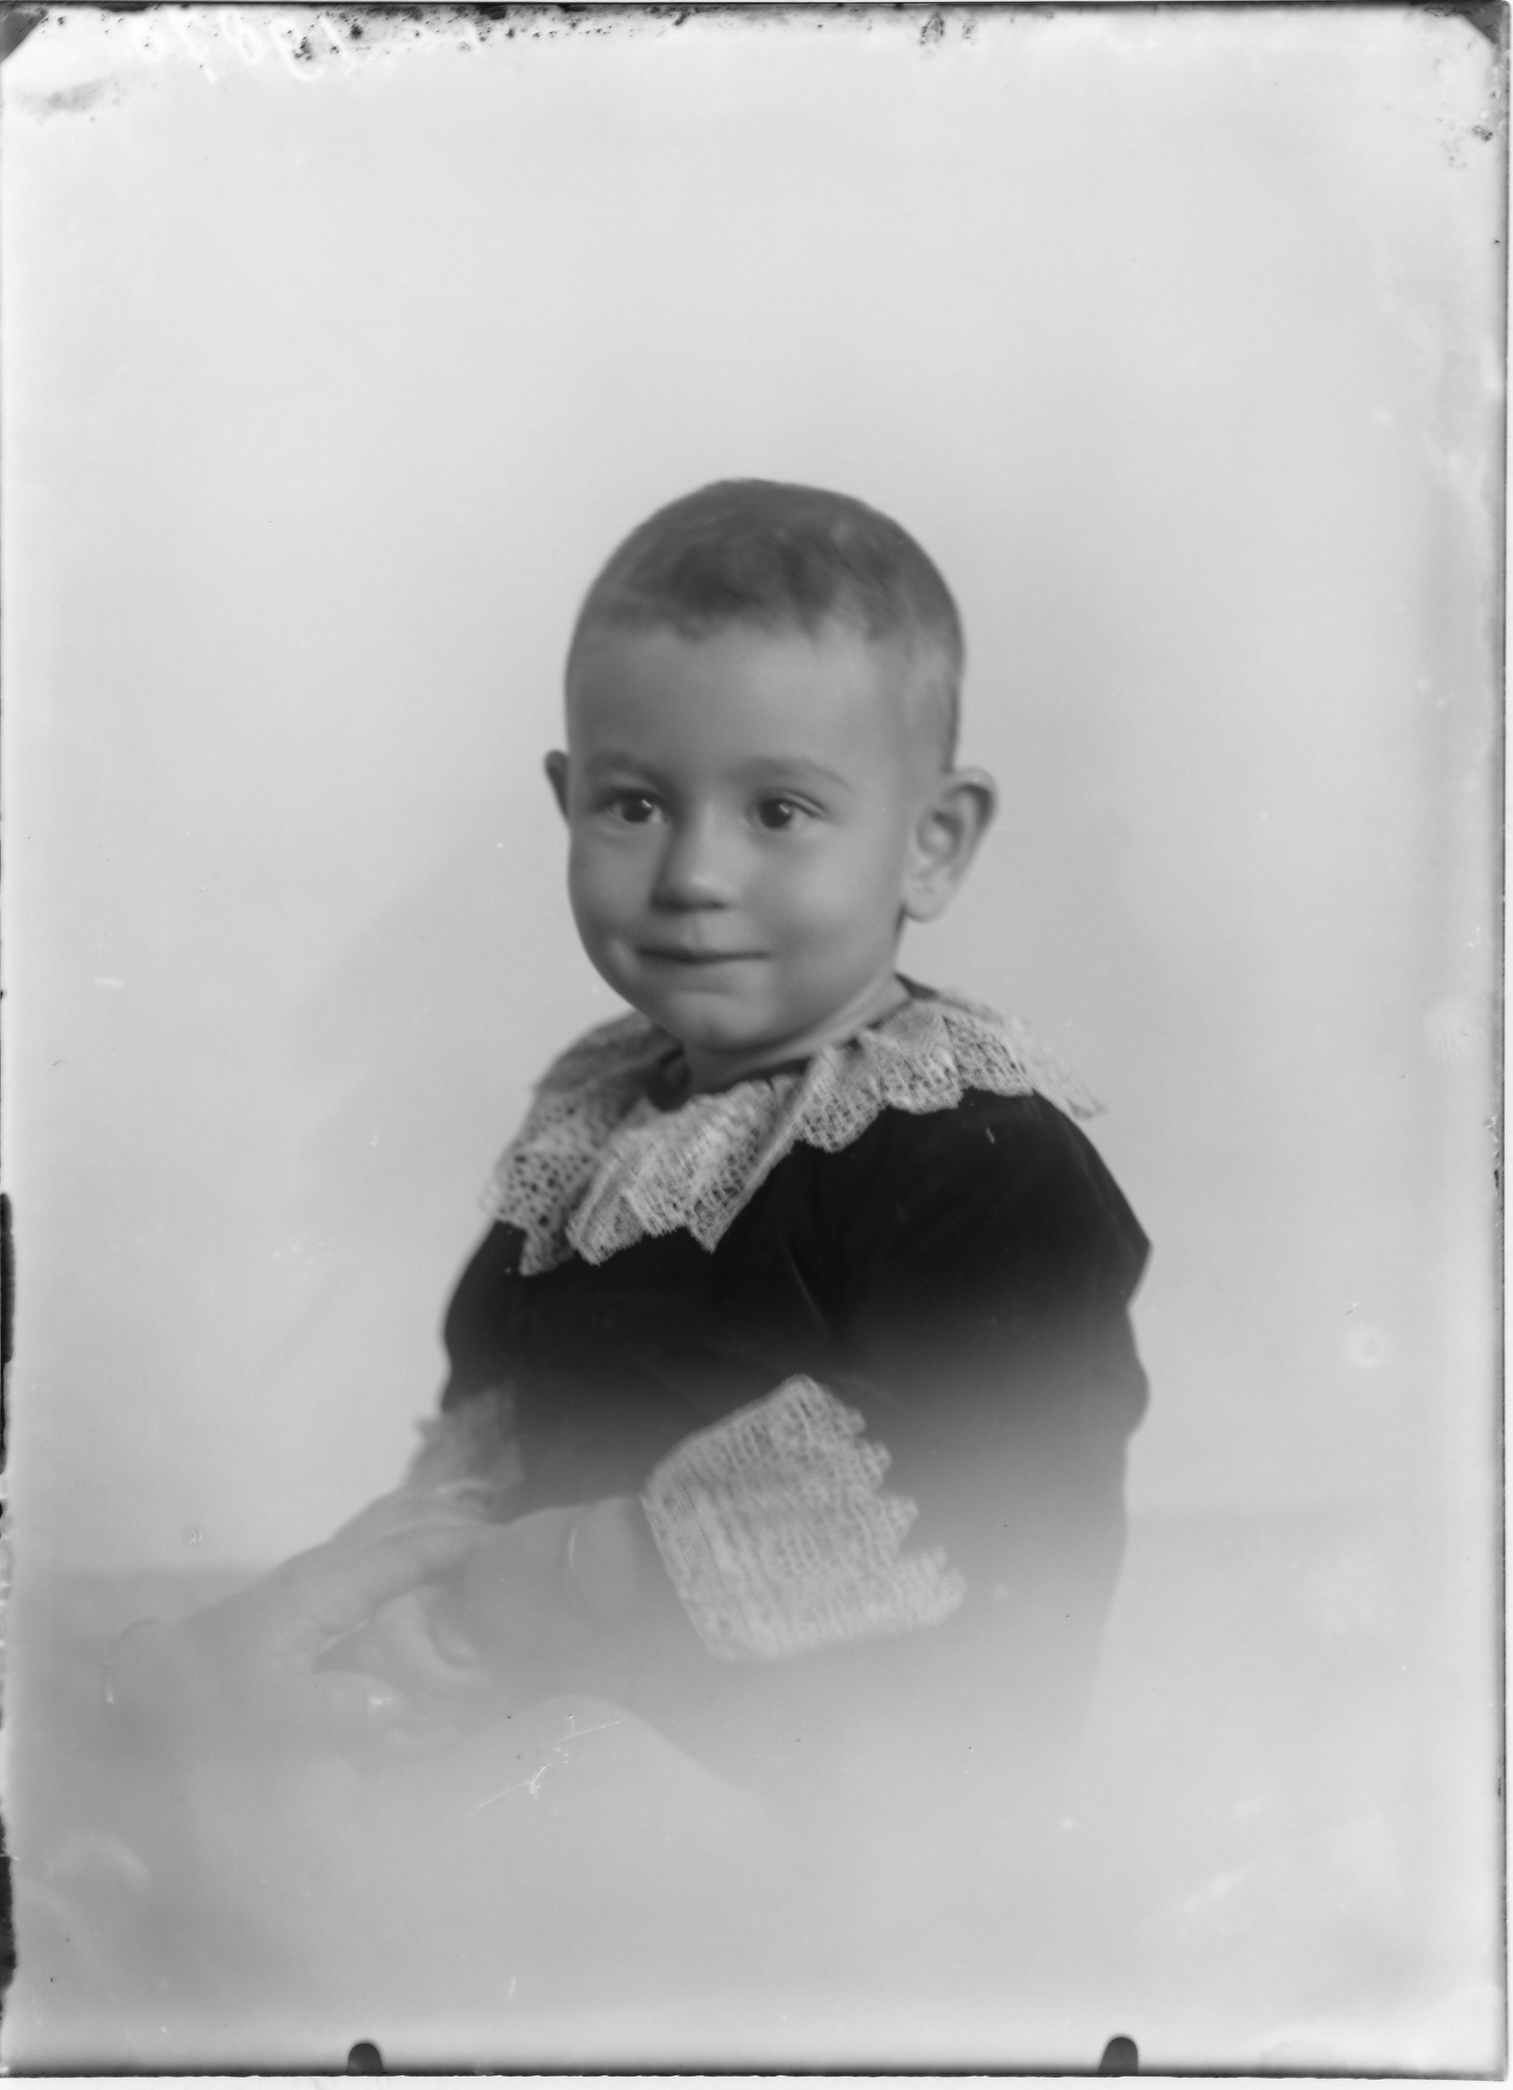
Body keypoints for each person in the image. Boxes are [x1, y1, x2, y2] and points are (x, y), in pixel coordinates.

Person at [110, 479, 1149, 1990]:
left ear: (932, 843)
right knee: (267, 1782)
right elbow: (498, 1401)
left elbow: (965, 1464)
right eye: (635, 803)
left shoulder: (971, 1146)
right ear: (566, 798)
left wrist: (577, 1574)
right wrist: (407, 1569)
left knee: (364, 1867)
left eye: (778, 810)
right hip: (578, 1706)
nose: (693, 875)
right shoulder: (595, 1122)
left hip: (850, 1787)